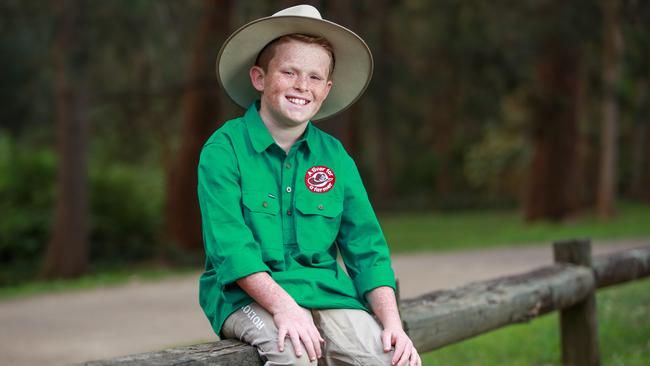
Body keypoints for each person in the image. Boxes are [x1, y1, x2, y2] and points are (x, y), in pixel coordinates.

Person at [198, 5, 421, 366]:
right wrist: (285, 307)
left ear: (327, 88)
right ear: (259, 77)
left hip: (325, 293)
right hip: (243, 297)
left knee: (392, 360)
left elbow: (366, 247)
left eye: (315, 78)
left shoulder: (335, 156)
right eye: (289, 72)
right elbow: (230, 249)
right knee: (294, 355)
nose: (302, 86)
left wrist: (392, 322)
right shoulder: (224, 150)